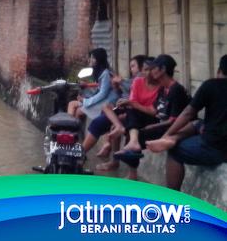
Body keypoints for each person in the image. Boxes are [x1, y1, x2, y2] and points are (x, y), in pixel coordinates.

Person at [146, 55, 227, 190]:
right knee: (197, 123)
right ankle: (173, 138)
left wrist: (167, 134)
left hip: (216, 148)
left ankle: (173, 198)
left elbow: (187, 113)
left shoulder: (211, 85)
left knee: (174, 151)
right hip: (219, 140)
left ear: (219, 70)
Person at [115, 55, 190, 179]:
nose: (150, 71)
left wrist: (153, 125)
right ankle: (133, 145)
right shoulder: (163, 88)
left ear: (162, 69)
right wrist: (131, 103)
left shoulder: (176, 89)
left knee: (137, 133)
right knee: (132, 112)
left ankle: (132, 173)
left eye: (153, 68)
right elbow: (154, 111)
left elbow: (174, 121)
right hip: (160, 122)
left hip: (171, 128)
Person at [82, 55, 149, 171]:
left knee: (98, 124)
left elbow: (134, 94)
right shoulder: (133, 79)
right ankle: (112, 158)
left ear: (143, 67)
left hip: (131, 111)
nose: (131, 69)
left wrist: (121, 81)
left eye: (133, 66)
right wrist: (117, 87)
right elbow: (124, 93)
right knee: (106, 115)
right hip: (121, 108)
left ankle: (79, 154)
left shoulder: (140, 80)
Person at [67, 48, 118, 120]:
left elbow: (102, 94)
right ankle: (69, 128)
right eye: (90, 57)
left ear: (99, 60)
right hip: (101, 100)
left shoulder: (106, 73)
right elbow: (100, 86)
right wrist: (87, 85)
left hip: (107, 102)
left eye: (93, 58)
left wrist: (86, 101)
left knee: (78, 111)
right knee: (72, 104)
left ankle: (71, 129)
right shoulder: (100, 72)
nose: (90, 59)